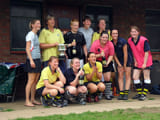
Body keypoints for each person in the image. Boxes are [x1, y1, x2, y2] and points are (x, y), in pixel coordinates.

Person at [128, 26, 153, 101]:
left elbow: (146, 52)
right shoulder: (130, 40)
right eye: (132, 32)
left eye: (135, 31)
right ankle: (139, 93)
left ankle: (144, 94)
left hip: (146, 60)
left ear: (138, 32)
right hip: (138, 60)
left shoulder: (144, 40)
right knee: (135, 77)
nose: (133, 33)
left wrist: (144, 63)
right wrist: (135, 61)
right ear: (130, 33)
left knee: (146, 77)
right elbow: (133, 51)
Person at [90, 31, 114, 100]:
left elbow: (111, 55)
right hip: (97, 61)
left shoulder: (110, 44)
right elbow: (92, 55)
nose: (105, 39)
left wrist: (107, 63)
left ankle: (108, 93)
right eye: (103, 37)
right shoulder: (95, 43)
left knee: (107, 78)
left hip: (107, 61)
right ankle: (99, 93)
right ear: (100, 37)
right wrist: (99, 55)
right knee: (99, 78)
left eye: (106, 37)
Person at [111, 29, 133, 100]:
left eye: (116, 33)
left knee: (127, 75)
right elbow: (114, 55)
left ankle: (126, 93)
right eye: (113, 33)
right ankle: (121, 93)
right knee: (120, 76)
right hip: (119, 60)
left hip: (127, 59)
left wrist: (124, 65)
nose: (115, 35)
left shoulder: (123, 41)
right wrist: (118, 64)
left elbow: (125, 54)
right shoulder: (111, 43)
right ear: (111, 35)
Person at [25, 19, 41, 107]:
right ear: (32, 25)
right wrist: (31, 60)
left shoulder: (36, 35)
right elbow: (27, 48)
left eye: (39, 23)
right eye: (38, 23)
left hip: (37, 59)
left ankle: (32, 99)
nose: (39, 25)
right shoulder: (30, 35)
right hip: (32, 60)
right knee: (30, 81)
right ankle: (27, 101)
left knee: (35, 81)